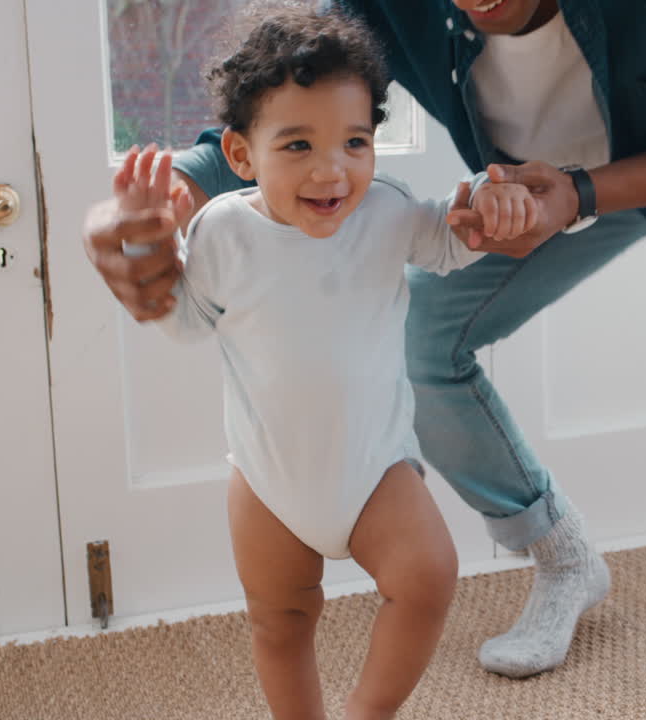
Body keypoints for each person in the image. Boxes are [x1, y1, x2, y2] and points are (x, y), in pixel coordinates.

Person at [84, 1, 646, 717]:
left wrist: (584, 193)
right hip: (551, 178)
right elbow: (290, 105)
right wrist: (158, 200)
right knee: (424, 336)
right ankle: (565, 557)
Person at [107, 6, 540, 719]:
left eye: (355, 141)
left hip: (374, 467)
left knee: (429, 577)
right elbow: (185, 323)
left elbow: (453, 240)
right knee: (280, 623)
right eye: (299, 144)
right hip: (269, 479)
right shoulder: (223, 232)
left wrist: (492, 207)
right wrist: (146, 251)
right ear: (242, 156)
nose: (332, 169)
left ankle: (367, 713)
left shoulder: (389, 212)